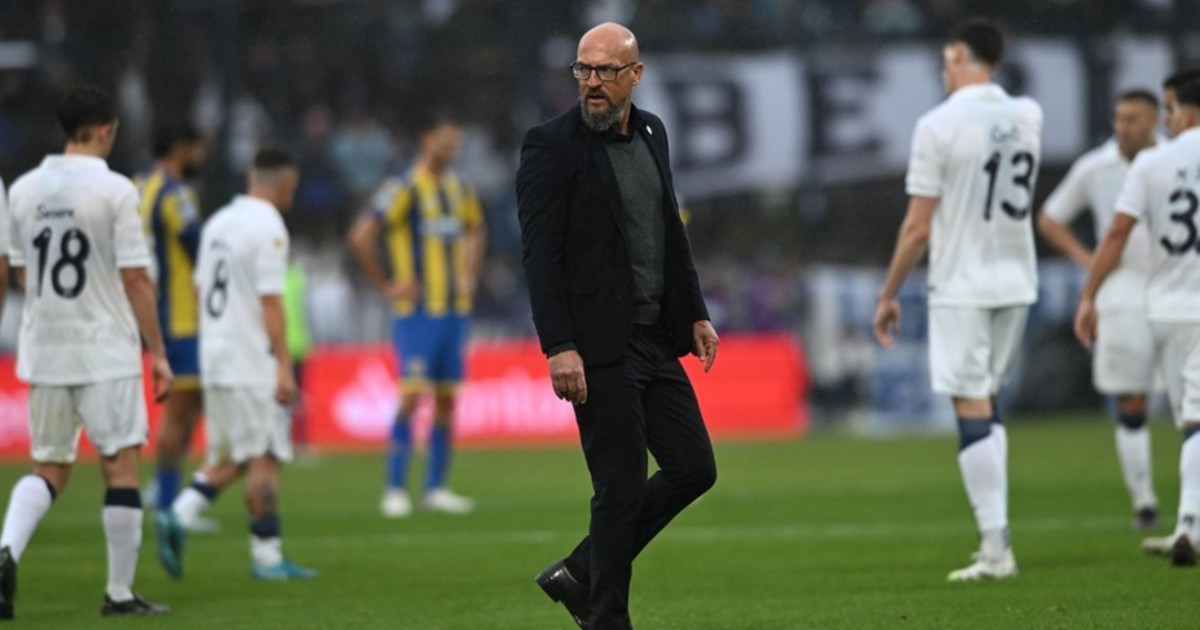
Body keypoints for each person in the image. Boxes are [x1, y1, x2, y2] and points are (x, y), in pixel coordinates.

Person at [517, 22, 720, 629]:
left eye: (606, 71)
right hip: (598, 346)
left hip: (655, 337)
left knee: (694, 468)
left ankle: (581, 572)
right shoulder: (549, 146)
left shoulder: (653, 131)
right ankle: (606, 618)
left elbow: (669, 231)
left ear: (635, 75)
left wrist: (695, 312)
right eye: (584, 70)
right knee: (620, 488)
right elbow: (540, 256)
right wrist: (560, 346)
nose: (592, 83)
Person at [873, 19, 1043, 582]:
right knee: (987, 403)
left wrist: (889, 292)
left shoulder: (937, 125)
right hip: (1016, 278)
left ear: (962, 58)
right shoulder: (1029, 114)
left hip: (963, 283)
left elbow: (918, 227)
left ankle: (996, 549)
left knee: (970, 406)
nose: (943, 71)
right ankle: (997, 540)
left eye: (947, 61)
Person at [0, 84, 172, 617]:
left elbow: (22, 273)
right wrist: (158, 352)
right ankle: (119, 593)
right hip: (104, 348)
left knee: (48, 466)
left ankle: (6, 550)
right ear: (105, 129)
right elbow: (136, 278)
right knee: (120, 466)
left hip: (46, 346)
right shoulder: (117, 190)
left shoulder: (23, 190)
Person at [157, 148, 316, 581]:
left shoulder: (218, 223)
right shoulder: (269, 227)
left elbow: (197, 290)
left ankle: (181, 511)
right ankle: (266, 556)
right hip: (250, 356)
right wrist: (283, 365)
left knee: (236, 453)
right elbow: (271, 301)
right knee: (265, 453)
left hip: (214, 352)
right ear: (286, 185)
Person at [1079, 70, 1200, 566]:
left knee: (1192, 419)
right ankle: (1188, 523)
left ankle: (1187, 524)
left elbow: (1116, 233)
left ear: (1185, 111)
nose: (1167, 119)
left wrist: (1088, 294)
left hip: (1168, 307)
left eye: (1169, 109)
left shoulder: (1151, 163)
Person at [348, 114, 485, 518]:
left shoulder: (459, 188)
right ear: (426, 139)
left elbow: (476, 228)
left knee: (445, 401)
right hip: (418, 313)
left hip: (454, 311)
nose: (452, 149)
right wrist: (386, 286)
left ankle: (435, 489)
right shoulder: (403, 187)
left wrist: (469, 272)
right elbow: (361, 236)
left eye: (456, 142)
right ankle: (394, 489)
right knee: (410, 396)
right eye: (446, 140)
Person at [1037, 90, 1163, 530]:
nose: (1122, 127)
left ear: (1155, 120)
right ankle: (1144, 500)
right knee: (1130, 396)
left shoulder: (1178, 158)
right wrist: (1088, 262)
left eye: (1133, 119)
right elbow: (1050, 217)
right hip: (1122, 290)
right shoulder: (1096, 167)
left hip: (1178, 285)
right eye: (1118, 118)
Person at [137, 120, 217, 532]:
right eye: (196, 148)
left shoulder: (139, 187)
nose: (201, 156)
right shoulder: (176, 194)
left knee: (191, 407)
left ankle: (164, 490)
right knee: (180, 413)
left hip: (155, 309)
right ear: (179, 148)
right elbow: (196, 245)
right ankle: (168, 505)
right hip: (183, 317)